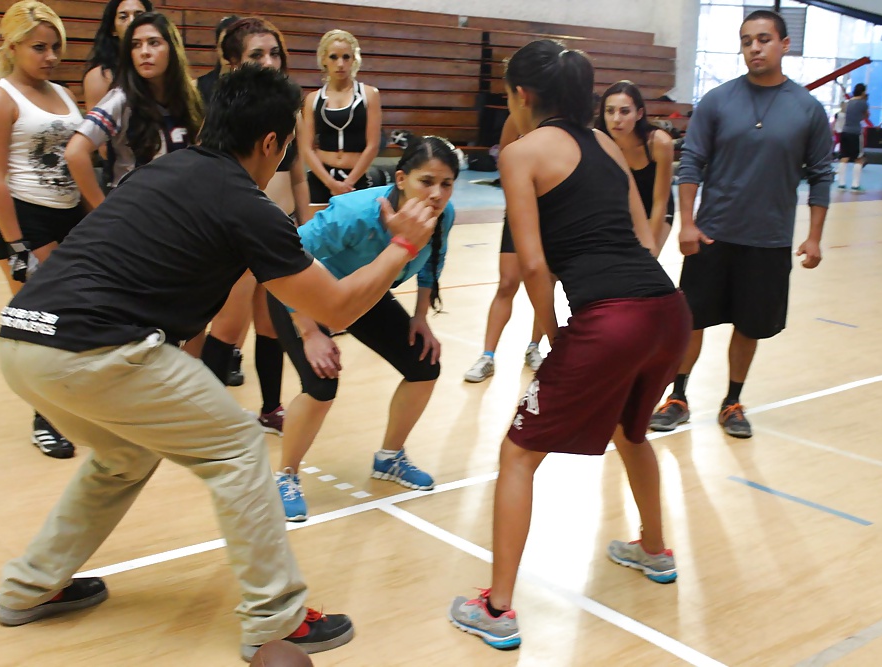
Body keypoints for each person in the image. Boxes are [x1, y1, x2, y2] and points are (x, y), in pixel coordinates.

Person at [0, 65, 437, 661]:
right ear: (273, 144)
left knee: (125, 456)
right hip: (93, 349)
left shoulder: (164, 171)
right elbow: (334, 305)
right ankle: (274, 619)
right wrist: (403, 246)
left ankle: (31, 586)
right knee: (237, 446)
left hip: (22, 339)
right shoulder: (243, 202)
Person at [447, 39, 689, 650]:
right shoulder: (608, 145)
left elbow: (532, 261)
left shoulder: (521, 151)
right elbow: (641, 234)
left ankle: (498, 608)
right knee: (631, 434)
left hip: (610, 317)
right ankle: (655, 550)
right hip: (667, 310)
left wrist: (554, 331)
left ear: (522, 95)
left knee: (518, 454)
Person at [649, 10, 832, 439]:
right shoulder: (717, 100)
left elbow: (822, 174)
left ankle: (732, 401)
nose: (755, 47)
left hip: (767, 242)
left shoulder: (807, 109)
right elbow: (691, 161)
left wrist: (815, 237)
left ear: (784, 45)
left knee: (749, 326)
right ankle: (678, 397)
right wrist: (687, 224)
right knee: (691, 321)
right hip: (712, 235)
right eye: (747, 40)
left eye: (764, 39)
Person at [268, 135, 457, 521]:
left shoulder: (441, 216)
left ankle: (390, 458)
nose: (437, 194)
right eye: (427, 181)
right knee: (322, 385)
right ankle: (285, 475)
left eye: (446, 184)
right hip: (302, 291)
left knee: (424, 366)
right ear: (401, 179)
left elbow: (432, 265)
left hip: (363, 294)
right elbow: (284, 256)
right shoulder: (356, 213)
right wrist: (311, 332)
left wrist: (421, 318)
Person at [0, 1, 84, 459]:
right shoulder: (0, 98)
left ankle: (71, 405)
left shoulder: (61, 93)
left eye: (55, 47)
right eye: (39, 47)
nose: (50, 56)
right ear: (14, 45)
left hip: (70, 215)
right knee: (44, 322)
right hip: (26, 220)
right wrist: (17, 246)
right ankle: (45, 419)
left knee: (80, 314)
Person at [200, 16, 311, 434]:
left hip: (279, 227)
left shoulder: (290, 111)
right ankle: (204, 416)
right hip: (242, 231)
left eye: (274, 53)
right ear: (233, 63)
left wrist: (306, 226)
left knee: (271, 324)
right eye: (256, 54)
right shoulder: (224, 116)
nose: (268, 61)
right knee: (229, 325)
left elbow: (298, 175)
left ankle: (270, 408)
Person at [66, 12, 203, 209]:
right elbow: (75, 152)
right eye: (136, 45)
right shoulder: (120, 99)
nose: (144, 52)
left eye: (154, 43)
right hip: (134, 211)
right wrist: (102, 210)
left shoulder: (189, 97)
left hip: (179, 209)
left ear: (172, 49)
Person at [463, 115, 546, 384]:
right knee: (507, 283)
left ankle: (534, 347)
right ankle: (487, 356)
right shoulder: (517, 117)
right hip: (520, 212)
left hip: (554, 212)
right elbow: (505, 164)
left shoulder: (564, 116)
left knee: (545, 284)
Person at [300, 30, 381, 205]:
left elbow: (372, 145)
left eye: (346, 57)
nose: (340, 64)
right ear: (323, 59)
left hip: (355, 178)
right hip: (321, 178)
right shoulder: (312, 99)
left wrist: (348, 183)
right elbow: (306, 147)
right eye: (333, 57)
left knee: (355, 231)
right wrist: (330, 183)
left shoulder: (369, 94)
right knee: (317, 231)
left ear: (354, 59)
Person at [597, 80, 676, 252]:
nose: (616, 119)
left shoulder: (659, 143)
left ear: (639, 113)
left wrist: (651, 245)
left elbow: (660, 201)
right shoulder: (600, 142)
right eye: (610, 111)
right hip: (623, 212)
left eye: (624, 111)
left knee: (644, 260)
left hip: (655, 210)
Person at [82, 0, 153, 112]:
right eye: (123, 17)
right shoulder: (101, 77)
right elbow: (96, 128)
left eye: (139, 15)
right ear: (113, 29)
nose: (132, 21)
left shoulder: (157, 66)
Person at [196, 14, 240, 106]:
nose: (228, 53)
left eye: (233, 47)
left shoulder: (256, 87)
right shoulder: (197, 87)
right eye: (223, 46)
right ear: (217, 47)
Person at [836, 83, 869, 192]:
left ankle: (841, 183)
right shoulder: (863, 103)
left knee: (844, 157)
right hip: (855, 132)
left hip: (845, 131)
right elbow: (866, 115)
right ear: (863, 92)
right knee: (858, 158)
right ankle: (855, 184)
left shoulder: (848, 102)